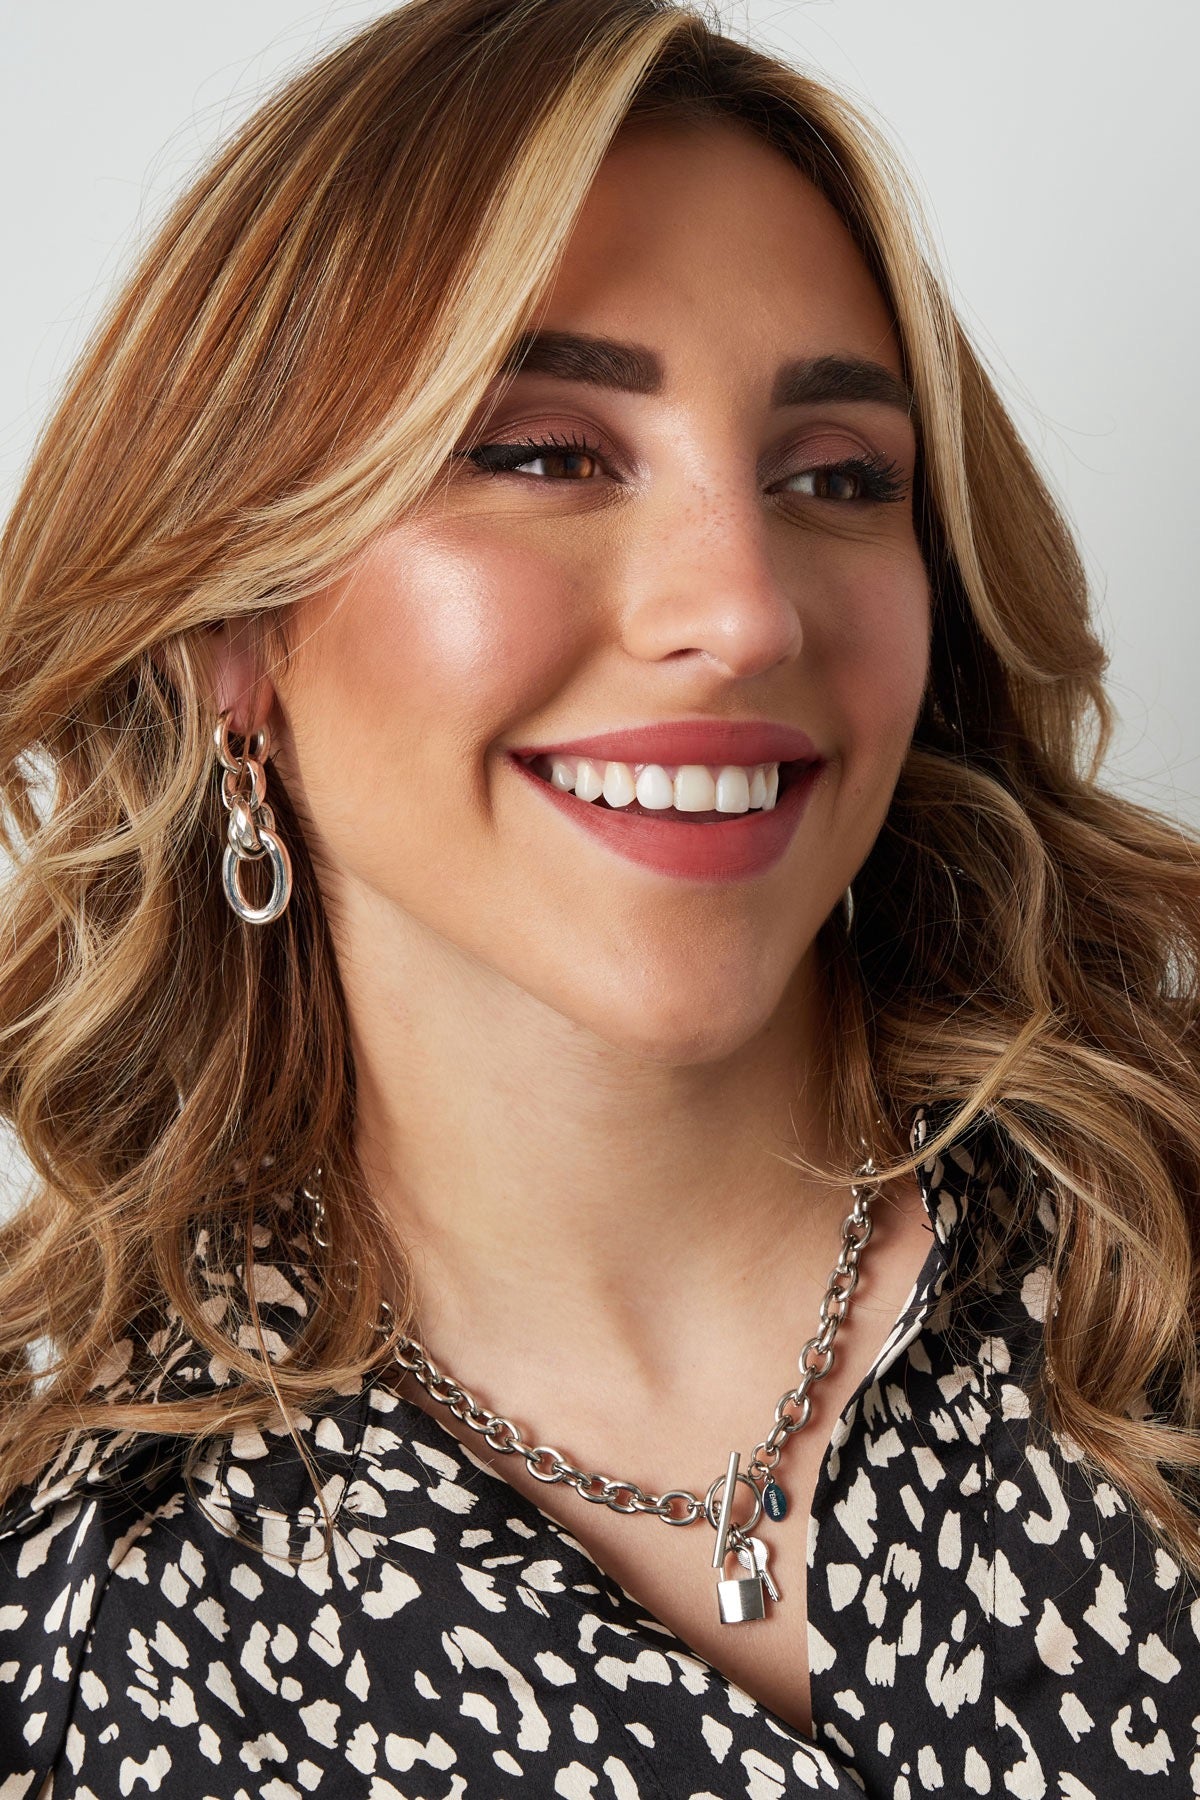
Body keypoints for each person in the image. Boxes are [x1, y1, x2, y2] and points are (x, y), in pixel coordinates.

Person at [1, 0, 1198, 1793]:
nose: (746, 609)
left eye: (837, 477)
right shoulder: (75, 1635)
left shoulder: (1162, 1273)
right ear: (239, 633)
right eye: (546, 454)